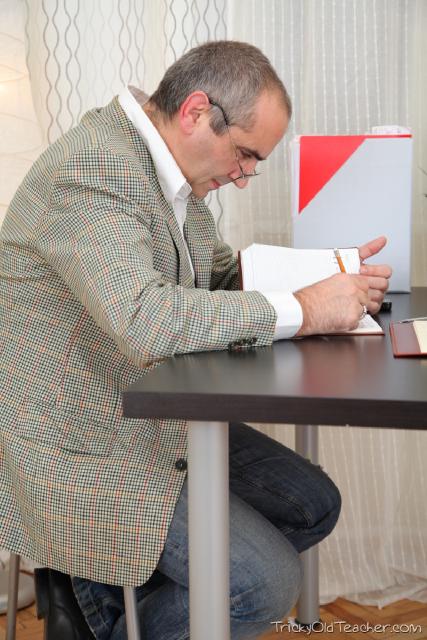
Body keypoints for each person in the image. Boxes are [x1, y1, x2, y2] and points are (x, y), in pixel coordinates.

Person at [0, 41, 391, 639]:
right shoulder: (95, 169)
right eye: (245, 154)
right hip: (85, 443)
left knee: (314, 504)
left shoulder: (173, 176)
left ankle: (110, 596)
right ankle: (101, 601)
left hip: (155, 414)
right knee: (265, 584)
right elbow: (146, 319)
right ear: (196, 112)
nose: (244, 176)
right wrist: (307, 309)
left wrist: (328, 275)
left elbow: (219, 275)